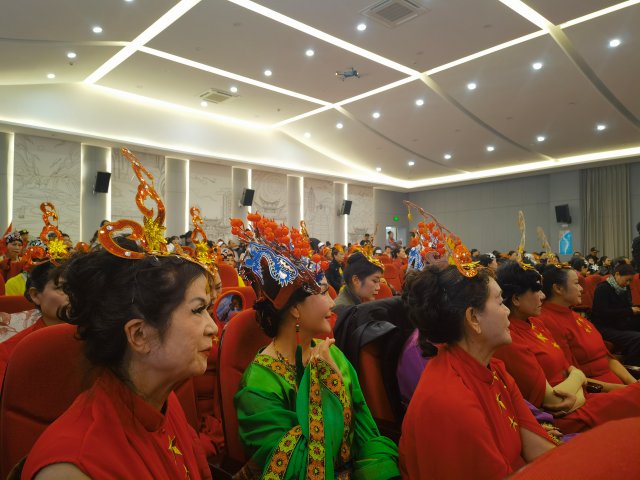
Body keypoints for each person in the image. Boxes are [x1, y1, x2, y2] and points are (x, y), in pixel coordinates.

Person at [22, 148, 217, 480]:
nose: (213, 327)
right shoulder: (74, 467)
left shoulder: (163, 404)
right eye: (198, 310)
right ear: (139, 334)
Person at [231, 214, 400, 479]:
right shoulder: (260, 383)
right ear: (295, 308)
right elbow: (294, 466)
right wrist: (327, 384)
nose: (332, 302)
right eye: (322, 292)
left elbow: (365, 430)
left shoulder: (331, 352)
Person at [400, 265, 556, 480]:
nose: (508, 311)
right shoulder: (450, 401)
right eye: (500, 302)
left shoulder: (494, 368)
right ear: (473, 317)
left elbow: (536, 447)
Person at [494, 261, 640, 434]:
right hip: (566, 416)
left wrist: (577, 378)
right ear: (516, 299)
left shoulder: (536, 323)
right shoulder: (510, 337)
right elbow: (554, 402)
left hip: (583, 399)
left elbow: (572, 368)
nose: (543, 296)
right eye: (536, 290)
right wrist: (579, 377)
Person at [537, 265, 637, 389]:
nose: (581, 289)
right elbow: (570, 376)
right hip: (594, 390)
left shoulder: (574, 315)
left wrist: (633, 383)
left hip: (615, 383)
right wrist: (628, 390)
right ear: (558, 288)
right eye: (576, 283)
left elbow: (606, 358)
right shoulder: (547, 322)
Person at [0, 261, 68, 388]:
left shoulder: (94, 338)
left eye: (77, 288)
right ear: (35, 295)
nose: (73, 295)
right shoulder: (13, 350)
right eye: (61, 288)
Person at [591, 262, 640, 365]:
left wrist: (632, 310)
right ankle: (631, 367)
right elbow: (603, 313)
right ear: (617, 274)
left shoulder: (624, 289)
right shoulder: (603, 289)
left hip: (619, 323)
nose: (628, 283)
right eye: (627, 280)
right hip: (605, 327)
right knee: (637, 338)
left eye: (630, 281)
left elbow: (626, 308)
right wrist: (630, 311)